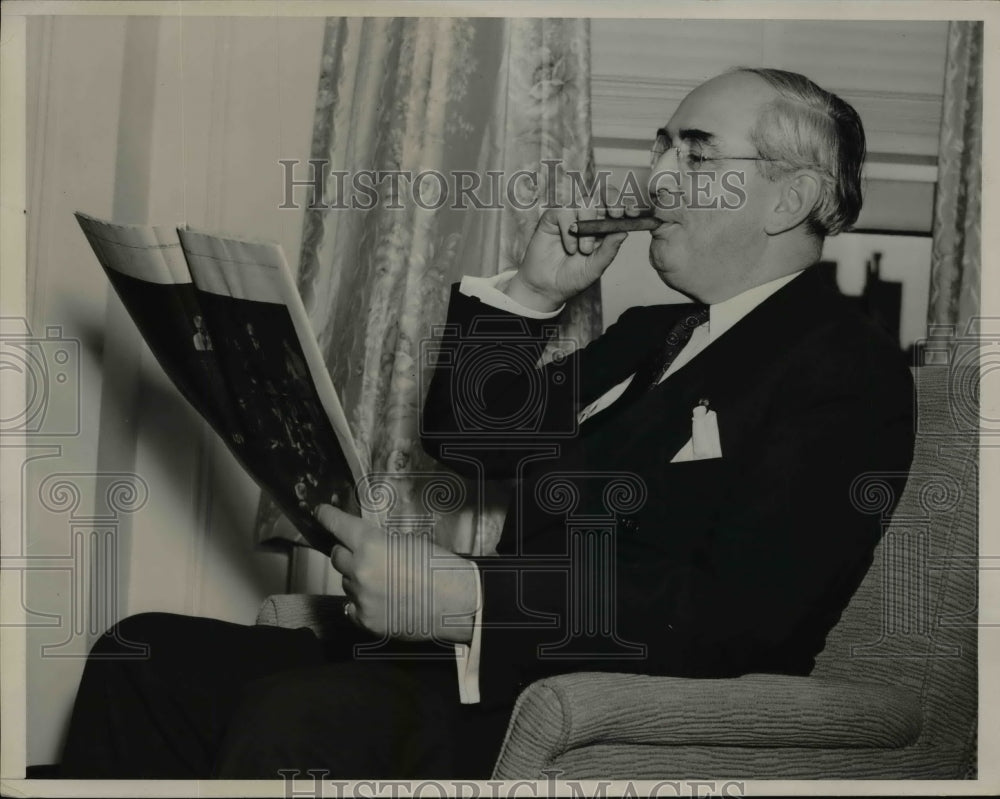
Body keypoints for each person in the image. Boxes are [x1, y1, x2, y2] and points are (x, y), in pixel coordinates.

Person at [58, 67, 914, 779]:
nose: (655, 177)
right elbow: (472, 440)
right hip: (478, 669)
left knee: (303, 714)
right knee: (145, 656)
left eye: (696, 155)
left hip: (593, 709)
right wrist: (534, 293)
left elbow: (737, 614)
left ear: (788, 197)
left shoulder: (844, 365)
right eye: (660, 145)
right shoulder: (655, 331)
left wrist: (466, 596)